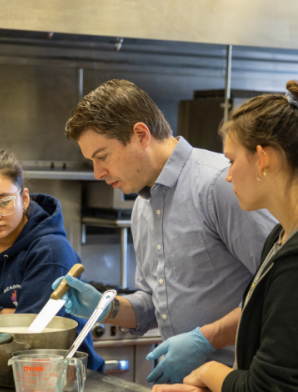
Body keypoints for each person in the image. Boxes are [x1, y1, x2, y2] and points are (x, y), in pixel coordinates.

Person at [52, 79, 278, 384]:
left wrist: (206, 339)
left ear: (141, 135)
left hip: (239, 382)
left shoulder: (221, 185)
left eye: (102, 156)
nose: (97, 173)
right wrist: (107, 308)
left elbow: (278, 294)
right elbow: (152, 303)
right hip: (182, 385)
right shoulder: (142, 207)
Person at [152, 81, 298, 392]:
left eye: (232, 160)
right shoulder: (279, 237)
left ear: (263, 158)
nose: (228, 175)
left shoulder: (294, 261)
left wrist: (207, 373)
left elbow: (268, 388)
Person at [0, 148, 104, 372]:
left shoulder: (50, 251)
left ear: (24, 198)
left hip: (58, 376)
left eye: (3, 202)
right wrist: (6, 315)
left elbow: (32, 335)